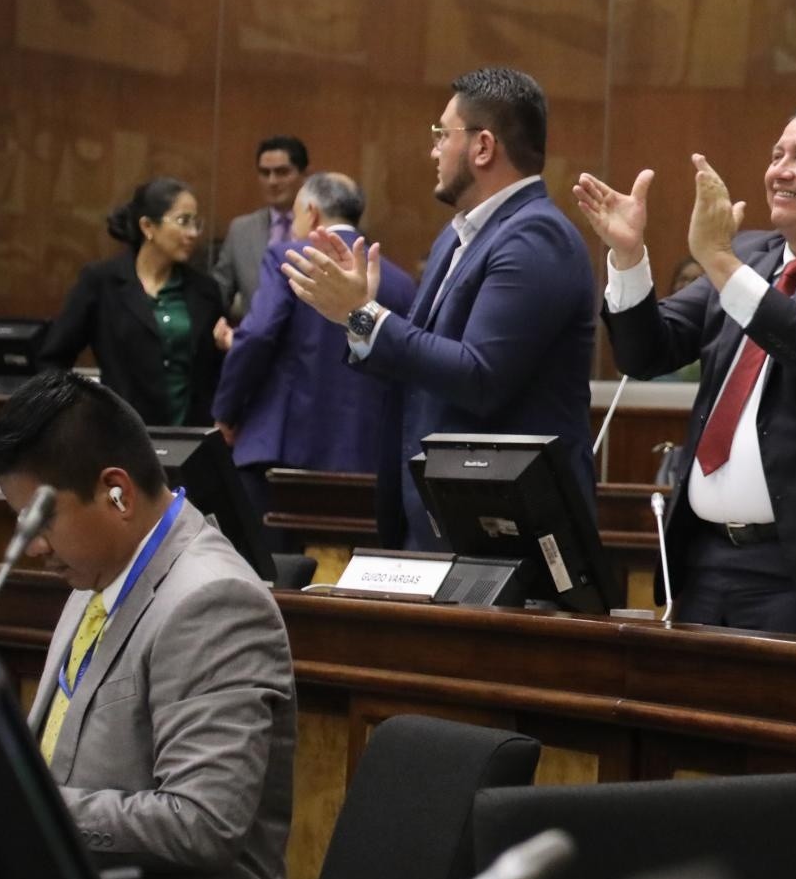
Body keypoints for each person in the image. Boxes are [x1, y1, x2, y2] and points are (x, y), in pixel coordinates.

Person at [574, 102, 796, 638]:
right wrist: (628, 256)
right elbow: (647, 353)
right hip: (703, 560)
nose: (780, 171)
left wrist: (720, 262)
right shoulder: (752, 256)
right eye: (776, 155)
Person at [0, 370, 296, 879]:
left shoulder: (214, 601)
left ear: (117, 492)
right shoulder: (95, 574)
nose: (31, 546)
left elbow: (202, 822)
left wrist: (28, 811)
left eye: (41, 519)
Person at [282, 68, 597, 553]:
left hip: (503, 535)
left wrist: (362, 315)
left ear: (483, 147)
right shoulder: (456, 236)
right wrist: (360, 314)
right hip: (440, 517)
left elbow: (480, 376)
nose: (433, 150)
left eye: (441, 135)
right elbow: (422, 364)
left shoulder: (537, 237)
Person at [211, 173, 416, 544]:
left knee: (271, 569)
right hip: (367, 458)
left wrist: (226, 413)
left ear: (311, 212)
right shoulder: (399, 282)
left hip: (283, 452)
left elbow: (258, 334)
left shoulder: (289, 258)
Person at [41, 178, 226, 428]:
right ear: (148, 226)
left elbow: (219, 370)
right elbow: (53, 359)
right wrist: (74, 416)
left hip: (191, 436)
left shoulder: (205, 290)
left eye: (196, 223)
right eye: (183, 221)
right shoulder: (102, 282)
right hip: (120, 434)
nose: (193, 233)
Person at [214, 136, 309, 322]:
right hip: (257, 337)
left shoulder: (322, 228)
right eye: (265, 173)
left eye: (282, 172)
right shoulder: (241, 230)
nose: (272, 181)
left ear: (304, 174)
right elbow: (219, 293)